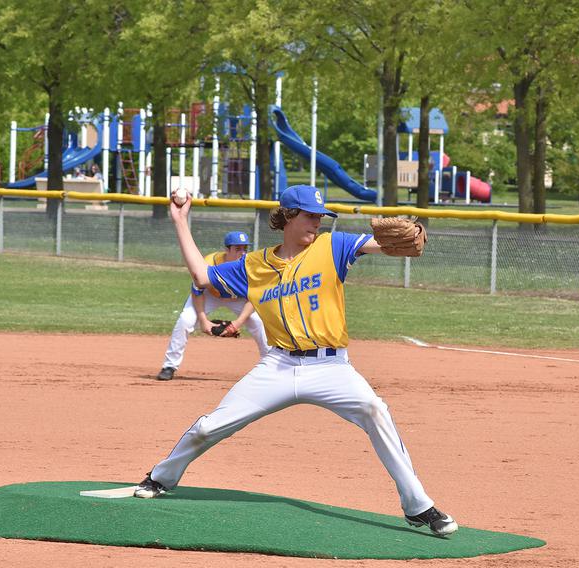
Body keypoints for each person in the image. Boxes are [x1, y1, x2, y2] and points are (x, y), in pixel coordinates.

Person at [135, 185, 458, 536]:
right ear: (288, 216)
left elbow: (384, 244)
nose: (317, 222)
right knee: (210, 426)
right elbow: (202, 277)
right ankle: (160, 477)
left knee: (375, 410)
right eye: (310, 215)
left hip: (331, 368)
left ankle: (417, 505)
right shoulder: (254, 265)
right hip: (278, 366)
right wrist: (180, 220)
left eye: (320, 216)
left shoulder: (332, 245)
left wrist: (413, 236)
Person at [156, 230, 270, 381]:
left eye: (244, 248)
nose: (242, 253)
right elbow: (197, 292)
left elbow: (254, 299)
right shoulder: (209, 262)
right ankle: (169, 366)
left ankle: (269, 365)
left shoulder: (250, 266)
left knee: (257, 321)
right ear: (227, 249)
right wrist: (203, 321)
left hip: (237, 297)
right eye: (237, 249)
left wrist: (237, 323)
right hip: (211, 294)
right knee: (185, 320)